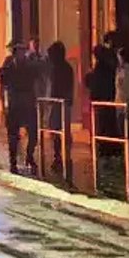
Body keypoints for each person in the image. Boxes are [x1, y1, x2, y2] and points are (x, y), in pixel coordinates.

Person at [1, 41, 39, 174]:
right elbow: (3, 82)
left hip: (28, 102)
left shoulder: (30, 66)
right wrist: (3, 102)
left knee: (33, 132)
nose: (23, 54)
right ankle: (13, 161)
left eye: (24, 51)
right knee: (13, 134)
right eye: (20, 52)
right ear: (15, 54)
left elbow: (38, 74)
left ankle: (30, 155)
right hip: (15, 102)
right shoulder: (9, 67)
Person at [46, 41, 75, 175]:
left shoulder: (57, 68)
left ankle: (60, 156)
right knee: (60, 130)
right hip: (63, 102)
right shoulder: (66, 67)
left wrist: (51, 100)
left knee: (57, 130)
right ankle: (62, 156)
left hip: (58, 102)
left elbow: (55, 86)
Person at [85, 43, 117, 136]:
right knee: (105, 124)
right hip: (105, 98)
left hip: (101, 99)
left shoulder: (101, 67)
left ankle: (102, 145)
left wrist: (89, 77)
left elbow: (94, 81)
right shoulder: (108, 66)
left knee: (102, 124)